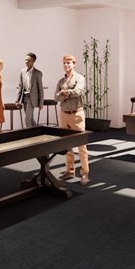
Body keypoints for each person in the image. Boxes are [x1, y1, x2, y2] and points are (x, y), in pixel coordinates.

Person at [54, 54, 89, 185]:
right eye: (64, 63)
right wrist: (68, 93)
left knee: (81, 145)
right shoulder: (60, 81)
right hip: (64, 114)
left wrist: (64, 93)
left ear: (74, 64)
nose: (66, 65)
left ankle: (84, 173)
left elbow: (78, 92)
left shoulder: (80, 78)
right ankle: (70, 171)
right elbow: (56, 97)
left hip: (77, 114)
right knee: (66, 144)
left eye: (69, 63)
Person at [15, 52, 43, 128]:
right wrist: (17, 100)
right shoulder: (22, 71)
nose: (26, 62)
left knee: (27, 120)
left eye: (28, 60)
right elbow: (20, 86)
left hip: (32, 99)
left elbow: (40, 89)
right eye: (25, 60)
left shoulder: (38, 73)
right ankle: (38, 131)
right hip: (24, 98)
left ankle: (30, 135)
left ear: (33, 61)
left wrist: (41, 103)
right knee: (30, 120)